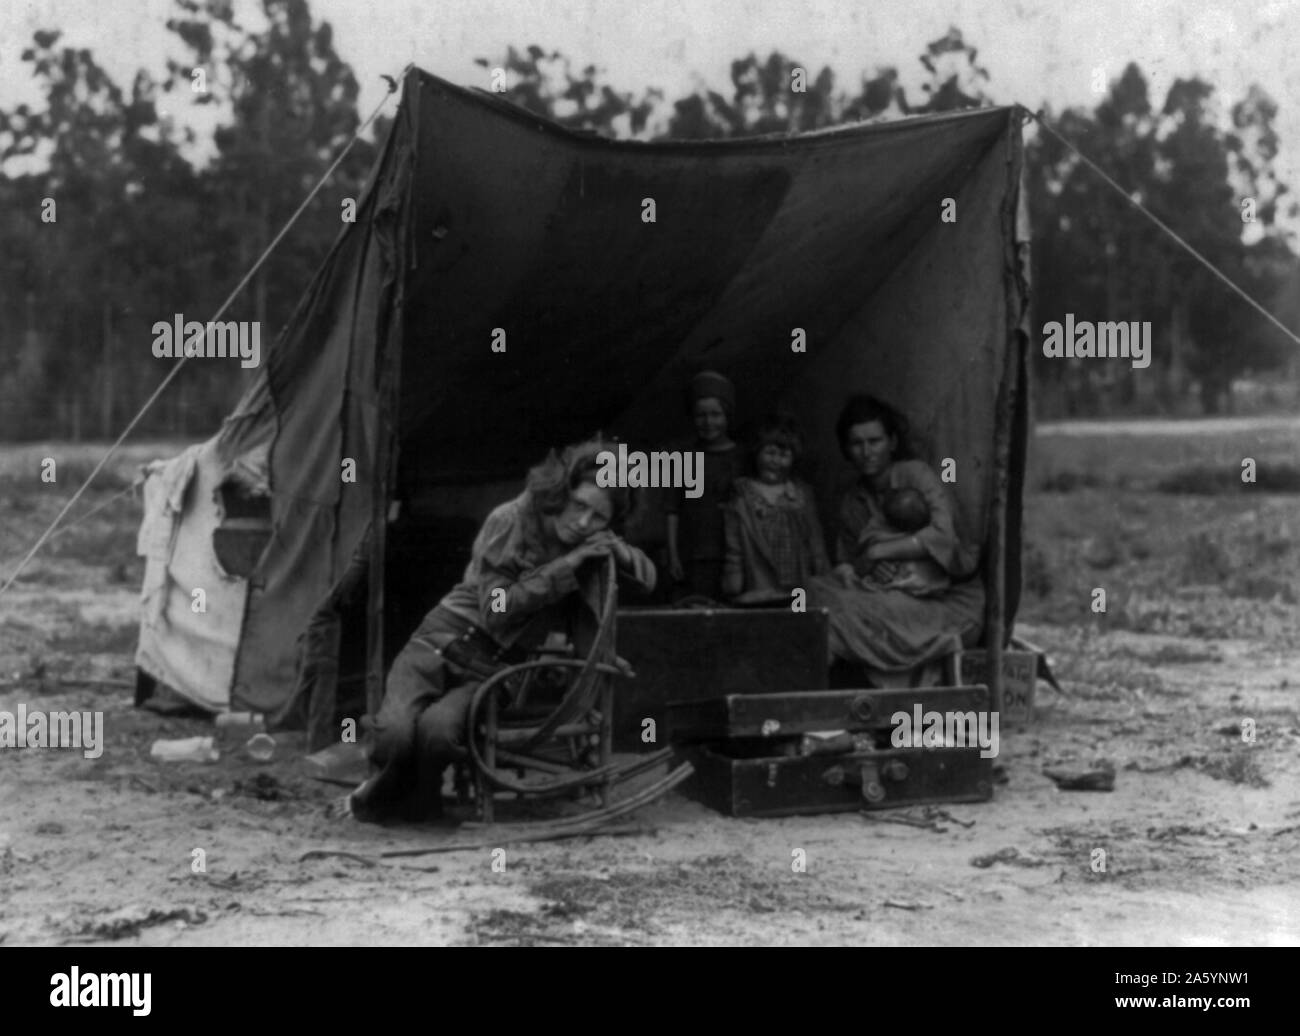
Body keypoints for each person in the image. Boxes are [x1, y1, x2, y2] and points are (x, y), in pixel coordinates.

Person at [348, 440, 656, 823]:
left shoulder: (591, 543)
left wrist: (620, 551)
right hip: (440, 640)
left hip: (496, 667)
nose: (582, 524)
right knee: (395, 734)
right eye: (579, 506)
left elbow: (647, 579)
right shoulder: (510, 519)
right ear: (561, 492)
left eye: (598, 518)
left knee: (438, 733)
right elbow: (496, 609)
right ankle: (381, 793)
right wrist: (567, 566)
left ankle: (423, 801)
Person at [806, 395, 984, 678]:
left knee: (836, 615)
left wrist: (881, 553)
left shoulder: (916, 475)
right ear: (846, 449)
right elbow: (849, 562)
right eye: (856, 444)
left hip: (945, 602)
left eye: (874, 441)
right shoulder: (853, 501)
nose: (866, 452)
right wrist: (864, 569)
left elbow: (943, 537)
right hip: (889, 594)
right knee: (811, 592)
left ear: (892, 443)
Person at [720, 414, 830, 602]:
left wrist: (822, 575)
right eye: (770, 453)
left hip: (797, 581)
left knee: (797, 622)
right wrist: (733, 578)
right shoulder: (743, 496)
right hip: (760, 582)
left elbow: (815, 540)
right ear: (756, 453)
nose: (776, 461)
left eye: (784, 455)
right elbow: (734, 545)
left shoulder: (800, 494)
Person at [664, 370, 743, 600]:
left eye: (716, 414)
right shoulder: (684, 458)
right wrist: (673, 554)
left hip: (732, 556)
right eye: (701, 415)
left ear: (727, 415)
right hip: (693, 555)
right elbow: (672, 510)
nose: (709, 422)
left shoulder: (742, 458)